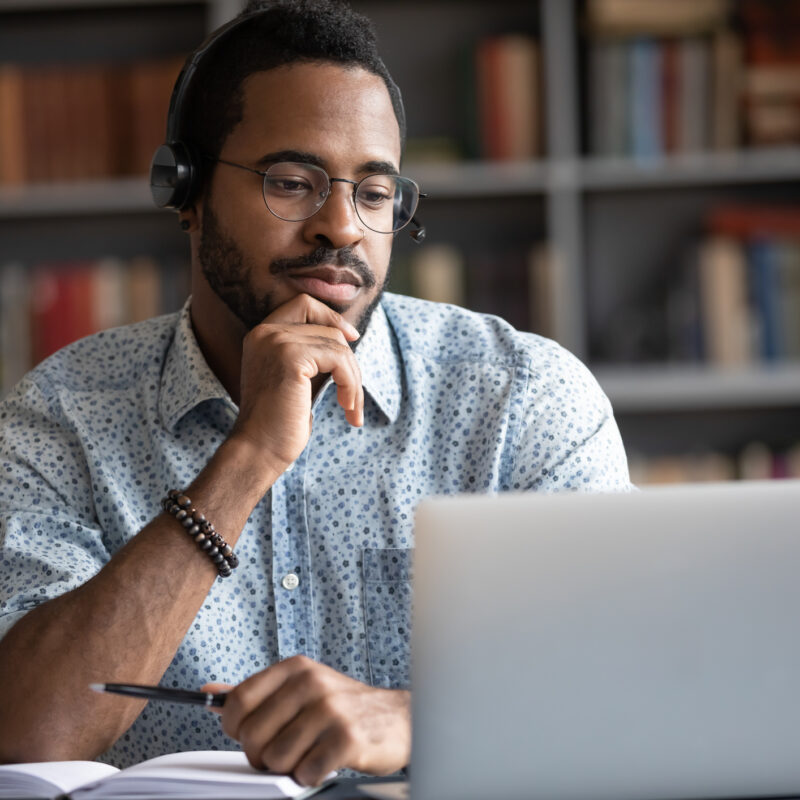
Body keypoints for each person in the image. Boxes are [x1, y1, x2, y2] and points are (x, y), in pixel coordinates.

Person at [0, 0, 631, 785]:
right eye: (293, 183)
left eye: (375, 193)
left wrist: (418, 719)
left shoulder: (522, 399)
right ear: (187, 194)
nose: (342, 227)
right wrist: (246, 460)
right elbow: (27, 734)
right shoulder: (61, 416)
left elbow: (629, 687)